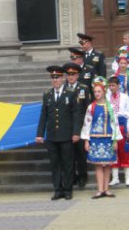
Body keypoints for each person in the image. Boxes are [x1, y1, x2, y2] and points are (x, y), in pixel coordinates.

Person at [36, 65, 81, 201]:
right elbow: (43, 116)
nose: (55, 80)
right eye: (53, 78)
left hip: (66, 135)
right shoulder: (47, 95)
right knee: (55, 164)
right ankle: (57, 189)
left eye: (57, 77)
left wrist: (76, 132)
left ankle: (67, 190)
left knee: (67, 164)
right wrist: (39, 133)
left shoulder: (71, 93)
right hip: (52, 136)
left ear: (62, 78)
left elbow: (76, 115)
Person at [81, 77, 122, 199]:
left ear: (104, 91)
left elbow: (115, 124)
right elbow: (87, 124)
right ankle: (100, 190)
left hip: (108, 138)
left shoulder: (110, 107)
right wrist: (86, 140)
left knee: (108, 164)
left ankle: (106, 189)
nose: (97, 94)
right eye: (95, 92)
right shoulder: (91, 107)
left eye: (99, 91)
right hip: (95, 139)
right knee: (98, 164)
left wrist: (115, 140)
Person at [63, 62, 92, 189]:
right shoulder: (63, 88)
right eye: (68, 74)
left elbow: (87, 108)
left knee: (81, 154)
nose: (70, 77)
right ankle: (72, 177)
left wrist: (87, 126)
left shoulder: (83, 88)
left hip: (80, 126)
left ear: (78, 75)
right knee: (69, 154)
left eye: (73, 74)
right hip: (67, 126)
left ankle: (82, 176)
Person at [107, 76, 129, 186]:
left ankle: (127, 177)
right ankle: (115, 177)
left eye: (113, 85)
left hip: (122, 126)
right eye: (109, 86)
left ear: (118, 85)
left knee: (125, 150)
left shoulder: (125, 97)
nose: (111, 88)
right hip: (111, 127)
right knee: (113, 151)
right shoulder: (107, 98)